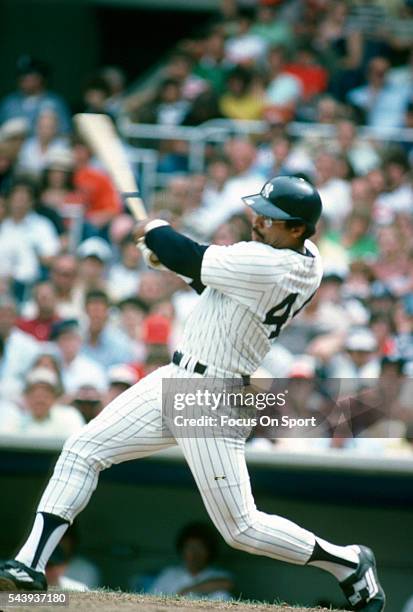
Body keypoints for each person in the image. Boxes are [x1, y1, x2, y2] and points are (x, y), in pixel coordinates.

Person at [0, 176, 385, 611]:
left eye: (273, 218)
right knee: (82, 449)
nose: (259, 220)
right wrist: (169, 259)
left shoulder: (268, 262)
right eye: (261, 210)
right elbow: (209, 280)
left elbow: (190, 254)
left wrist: (158, 233)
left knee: (241, 529)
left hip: (215, 394)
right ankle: (29, 563)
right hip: (178, 376)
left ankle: (349, 562)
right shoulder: (306, 258)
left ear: (298, 229)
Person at [149, 522, 233, 600]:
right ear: (182, 549)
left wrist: (188, 590)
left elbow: (227, 584)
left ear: (209, 551)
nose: (195, 554)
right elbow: (150, 599)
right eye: (191, 547)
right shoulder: (169, 574)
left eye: (200, 548)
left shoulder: (217, 574)